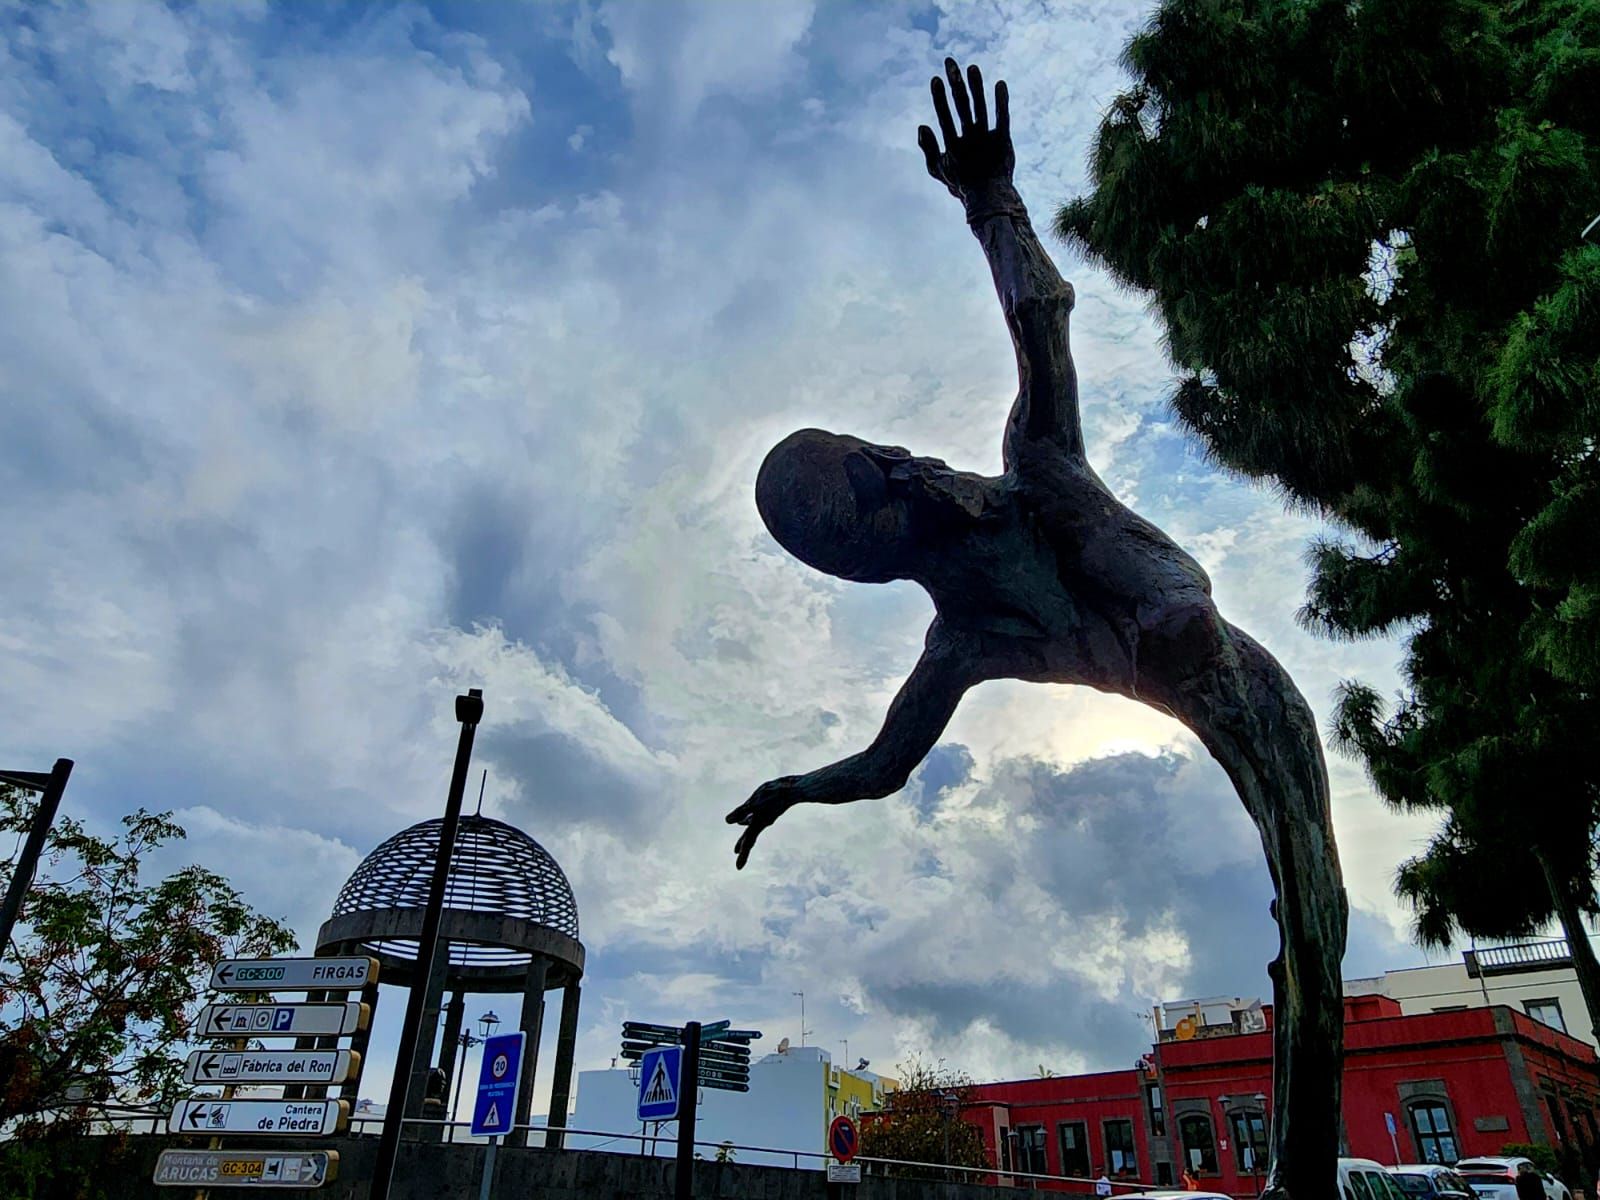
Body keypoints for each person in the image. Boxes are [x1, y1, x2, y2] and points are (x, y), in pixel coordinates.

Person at [728, 58, 1349, 1200]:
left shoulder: (1035, 475)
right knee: (1310, 941)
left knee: (1317, 928)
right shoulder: (962, 638)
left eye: (869, 509)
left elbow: (1043, 318)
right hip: (1200, 690)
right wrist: (794, 788)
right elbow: (880, 766)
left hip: (1249, 691)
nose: (892, 522)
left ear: (887, 475)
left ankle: (1304, 1169)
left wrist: (990, 204)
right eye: (864, 548)